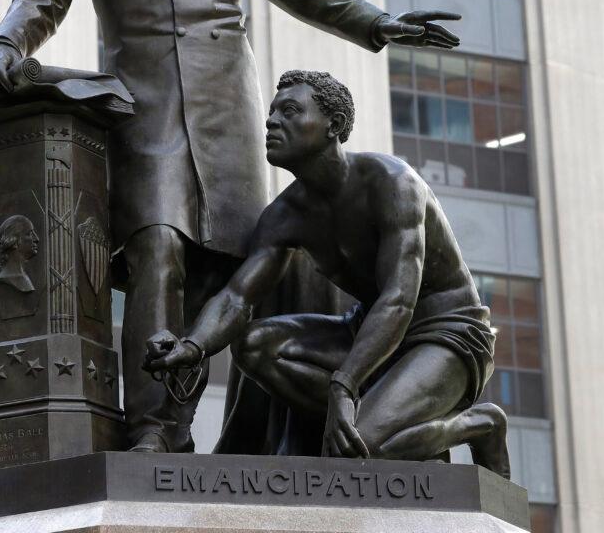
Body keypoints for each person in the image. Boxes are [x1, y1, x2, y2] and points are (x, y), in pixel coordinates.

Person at [0, 0, 460, 453]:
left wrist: (374, 23)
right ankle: (151, 430)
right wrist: (5, 44)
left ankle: (224, 438)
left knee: (235, 274)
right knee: (159, 252)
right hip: (147, 117)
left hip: (232, 121)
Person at [145, 70, 509, 476]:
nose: (271, 122)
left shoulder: (392, 183)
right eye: (271, 113)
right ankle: (382, 412)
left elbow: (399, 300)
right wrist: (192, 346)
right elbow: (237, 298)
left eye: (290, 111)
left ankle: (479, 425)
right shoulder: (285, 216)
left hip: (445, 334)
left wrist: (345, 384)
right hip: (367, 333)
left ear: (333, 126)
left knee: (359, 452)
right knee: (254, 345)